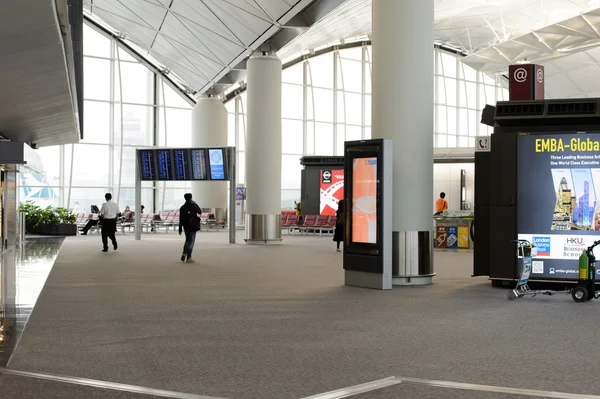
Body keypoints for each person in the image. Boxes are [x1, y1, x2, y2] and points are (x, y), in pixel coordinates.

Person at [179, 193, 202, 263]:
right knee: (191, 242)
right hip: (193, 226)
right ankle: (189, 257)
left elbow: (181, 219)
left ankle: (184, 252)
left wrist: (180, 228)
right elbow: (199, 211)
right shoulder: (193, 205)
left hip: (185, 226)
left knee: (187, 240)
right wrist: (195, 203)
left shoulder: (182, 207)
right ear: (191, 198)